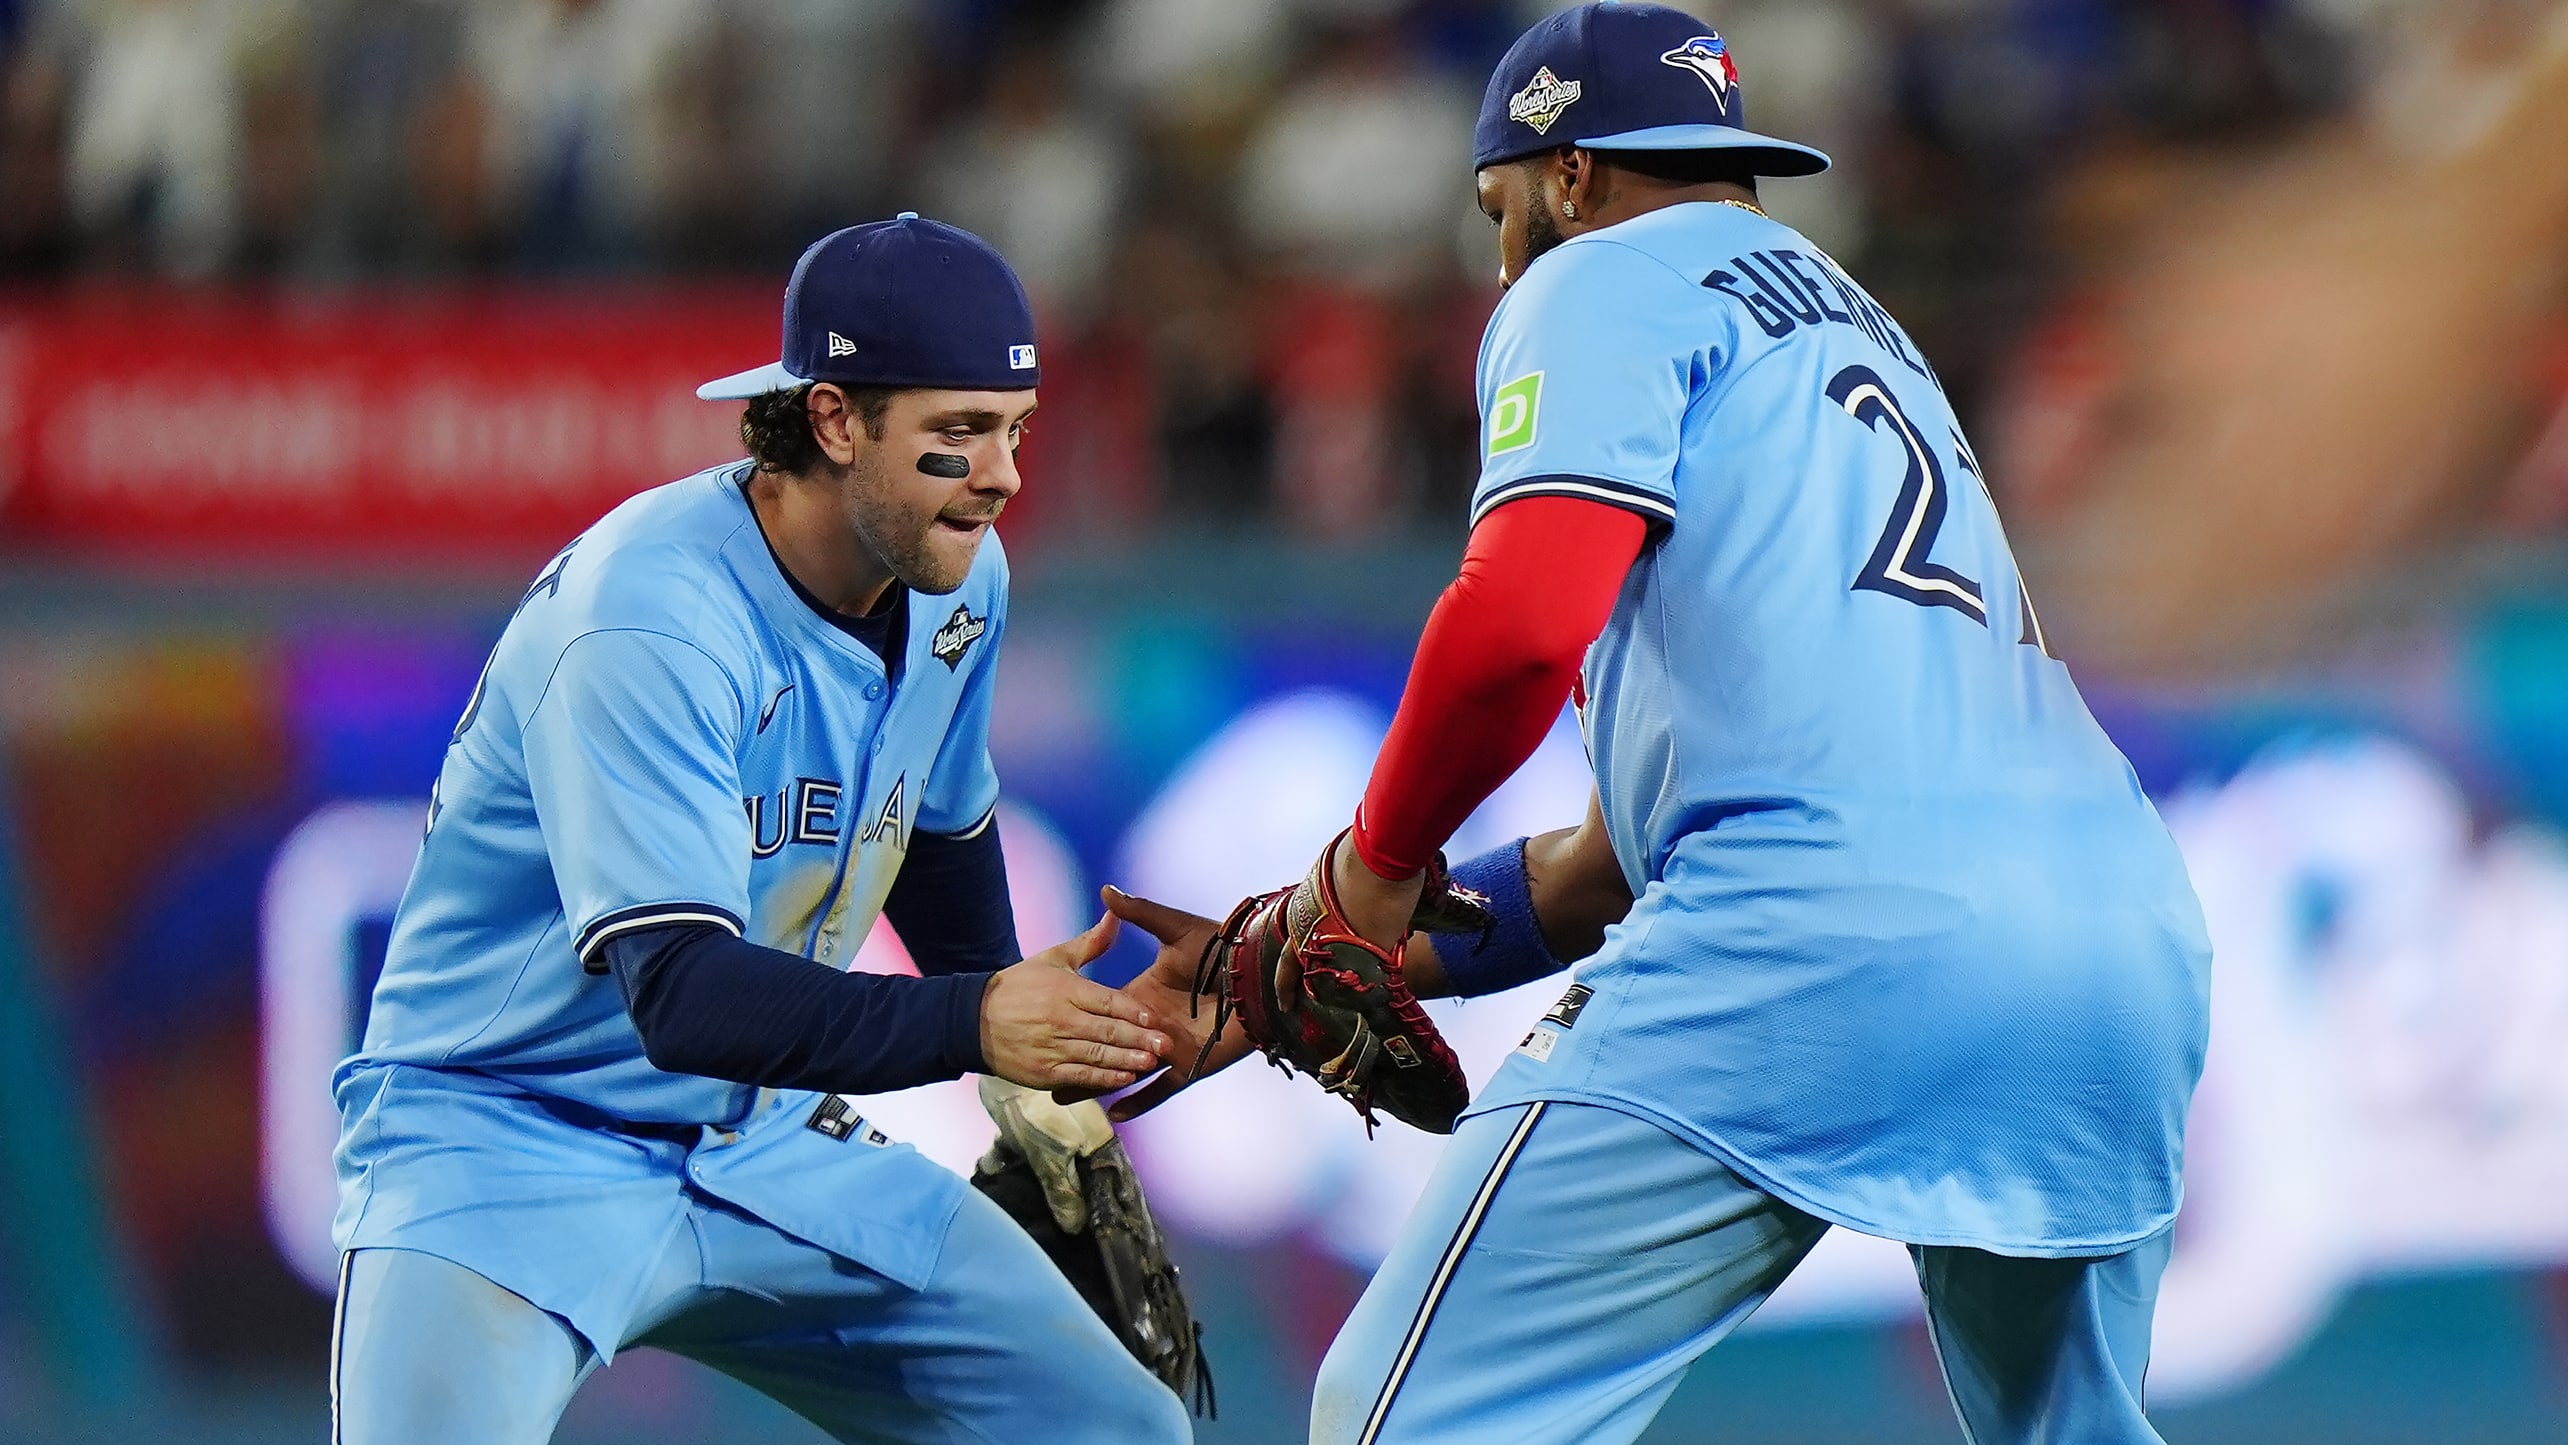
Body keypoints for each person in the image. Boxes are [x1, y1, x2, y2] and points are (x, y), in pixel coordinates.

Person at [1103, 7, 2213, 1443]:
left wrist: (1371, 867)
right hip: (2115, 939)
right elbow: (1602, 872)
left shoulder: (1601, 276)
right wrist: (1305, 953)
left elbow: (1513, 628)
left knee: (1408, 1415)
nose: (1504, 258)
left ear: (1568, 178)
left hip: (1820, 930)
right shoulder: (1857, 327)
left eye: (1503, 211)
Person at [329, 214, 1193, 1444]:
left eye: (1015, 430)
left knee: (1121, 1431)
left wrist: (1022, 1069)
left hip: (755, 1131)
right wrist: (973, 1020)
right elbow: (680, 994)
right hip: (506, 1134)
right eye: (958, 434)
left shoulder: (959, 575)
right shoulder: (649, 613)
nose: (1002, 474)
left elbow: (938, 834)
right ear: (836, 421)